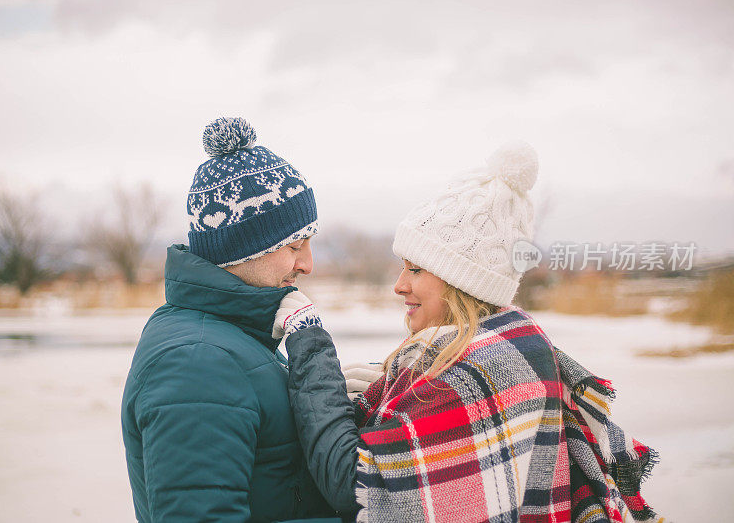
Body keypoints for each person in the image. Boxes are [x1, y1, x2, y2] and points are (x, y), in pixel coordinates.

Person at [273, 142, 665, 522]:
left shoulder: (470, 373)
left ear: (460, 282)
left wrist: (312, 351)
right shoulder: (513, 345)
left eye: (415, 269)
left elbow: (354, 488)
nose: (399, 285)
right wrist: (391, 388)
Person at [121, 117, 338, 522]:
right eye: (295, 245)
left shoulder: (232, 336)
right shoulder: (198, 361)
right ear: (244, 247)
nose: (307, 263)